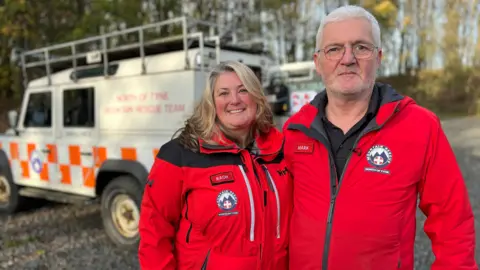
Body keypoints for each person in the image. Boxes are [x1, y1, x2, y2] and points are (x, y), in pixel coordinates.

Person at [283, 5, 477, 270]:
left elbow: (453, 223)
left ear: (379, 57)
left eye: (362, 47)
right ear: (318, 62)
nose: (348, 58)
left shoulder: (419, 126)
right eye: (334, 48)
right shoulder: (294, 131)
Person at [138, 60, 292, 270]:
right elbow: (154, 234)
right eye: (224, 93)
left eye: (243, 90)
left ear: (256, 97)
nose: (235, 100)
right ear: (211, 102)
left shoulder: (280, 150)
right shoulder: (180, 155)